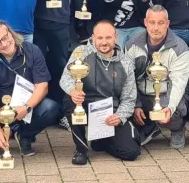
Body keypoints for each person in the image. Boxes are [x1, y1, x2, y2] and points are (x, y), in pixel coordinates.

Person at [0, 21, 62, 158]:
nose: (4, 44)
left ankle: (25, 137)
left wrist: (27, 107)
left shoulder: (32, 50)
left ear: (11, 33)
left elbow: (43, 86)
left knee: (50, 107)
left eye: (5, 37)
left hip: (26, 107)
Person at [60, 21, 140, 165]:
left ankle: (101, 140)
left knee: (131, 152)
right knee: (70, 99)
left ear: (116, 38)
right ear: (93, 38)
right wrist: (73, 91)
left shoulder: (126, 62)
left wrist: (119, 116)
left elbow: (129, 98)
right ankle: (81, 149)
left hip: (110, 113)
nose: (104, 42)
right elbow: (65, 78)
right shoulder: (81, 52)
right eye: (100, 38)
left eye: (108, 38)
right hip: (85, 106)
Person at [124, 6, 189, 149]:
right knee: (124, 105)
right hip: (141, 94)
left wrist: (169, 108)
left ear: (168, 23)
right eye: (152, 22)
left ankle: (177, 128)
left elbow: (178, 83)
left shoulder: (180, 48)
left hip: (167, 94)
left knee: (172, 113)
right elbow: (128, 79)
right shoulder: (131, 45)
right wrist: (135, 105)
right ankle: (149, 125)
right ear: (145, 23)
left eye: (160, 23)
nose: (156, 28)